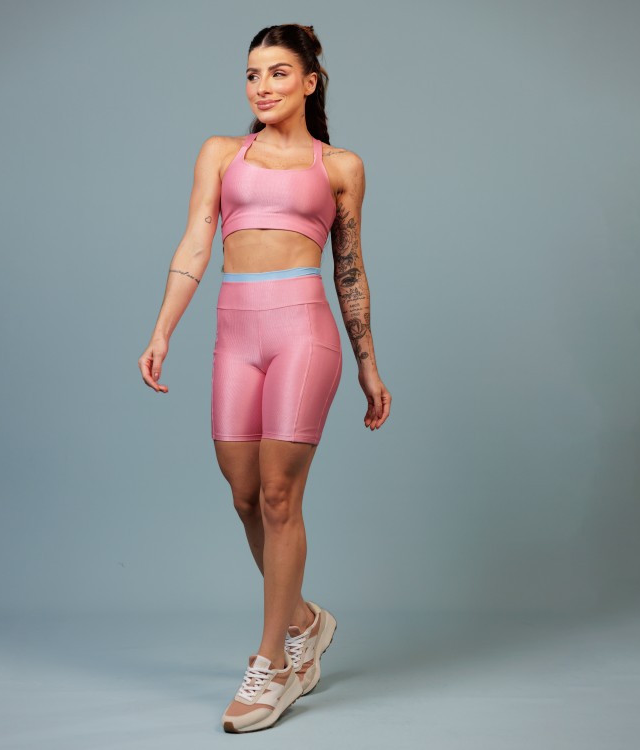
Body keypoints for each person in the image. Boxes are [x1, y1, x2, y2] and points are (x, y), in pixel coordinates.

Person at [138, 23, 391, 733]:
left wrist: (368, 363)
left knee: (280, 495)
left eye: (278, 73)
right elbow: (196, 242)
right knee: (244, 493)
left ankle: (273, 663)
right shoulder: (222, 153)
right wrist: (162, 329)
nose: (262, 86)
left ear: (310, 82)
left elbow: (350, 270)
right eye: (253, 74)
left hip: (303, 335)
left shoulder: (340, 167)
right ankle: (306, 620)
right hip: (236, 333)